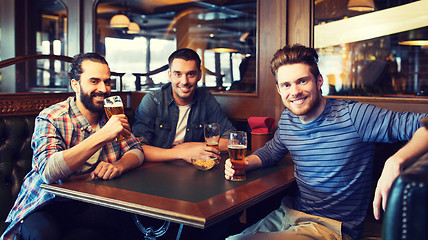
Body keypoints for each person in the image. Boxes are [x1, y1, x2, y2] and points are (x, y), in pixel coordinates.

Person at [224, 44, 428, 240]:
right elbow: (271, 152)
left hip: (333, 228)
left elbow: (424, 124)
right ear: (279, 90)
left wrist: (396, 160)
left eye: (302, 81)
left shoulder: (354, 115)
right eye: (286, 85)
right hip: (289, 214)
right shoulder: (288, 119)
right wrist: (245, 162)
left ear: (319, 81)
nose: (294, 91)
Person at [1, 53, 145, 240]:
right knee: (44, 236)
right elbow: (48, 171)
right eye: (94, 81)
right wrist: (102, 136)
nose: (103, 89)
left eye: (107, 82)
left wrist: (119, 165)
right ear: (75, 85)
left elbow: (137, 151)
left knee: (135, 225)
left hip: (89, 202)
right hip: (45, 203)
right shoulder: (52, 116)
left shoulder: (112, 114)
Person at [132, 48, 235, 163]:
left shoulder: (206, 100)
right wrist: (181, 153)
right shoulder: (153, 100)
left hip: (192, 168)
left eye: (190, 74)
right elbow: (137, 148)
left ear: (199, 75)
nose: (184, 81)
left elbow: (231, 141)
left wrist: (192, 147)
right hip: (156, 168)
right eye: (178, 74)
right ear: (170, 76)